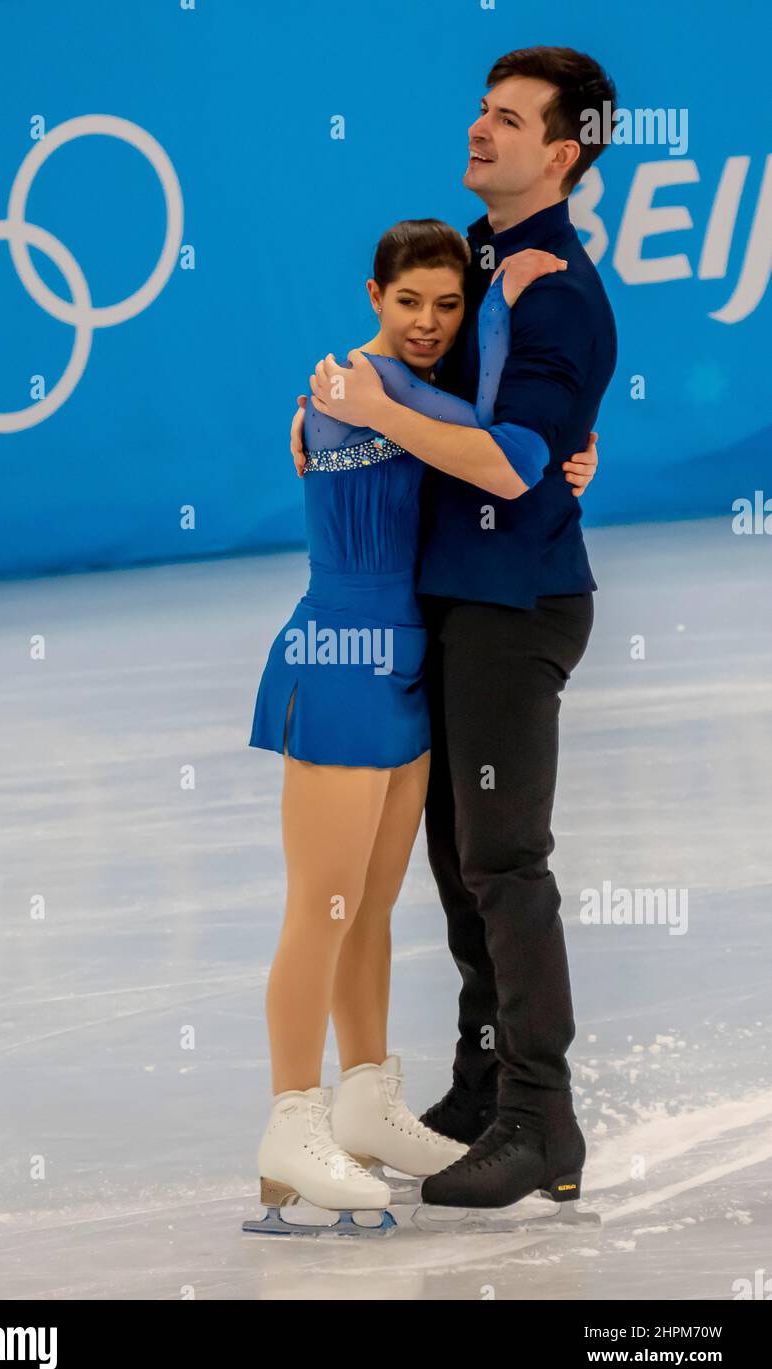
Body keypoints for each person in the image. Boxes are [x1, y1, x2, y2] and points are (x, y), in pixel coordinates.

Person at [298, 46, 618, 1212]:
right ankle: (482, 1089)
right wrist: (329, 407)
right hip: (451, 594)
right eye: (480, 112)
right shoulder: (480, 258)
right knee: (454, 858)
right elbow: (425, 368)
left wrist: (380, 408)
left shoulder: (560, 292)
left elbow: (509, 456)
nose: (480, 130)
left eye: (507, 120)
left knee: (501, 859)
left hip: (513, 604)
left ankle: (542, 1117)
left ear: (562, 151)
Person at [246, 217, 598, 1235]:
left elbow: (483, 445)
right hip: (340, 661)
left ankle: (362, 1094)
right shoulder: (349, 386)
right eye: (409, 302)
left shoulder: (400, 397)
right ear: (372, 297)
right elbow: (482, 438)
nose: (427, 323)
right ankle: (288, 1116)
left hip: (402, 666)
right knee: (320, 904)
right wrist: (504, 324)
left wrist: (560, 457)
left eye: (448, 306)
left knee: (370, 907)